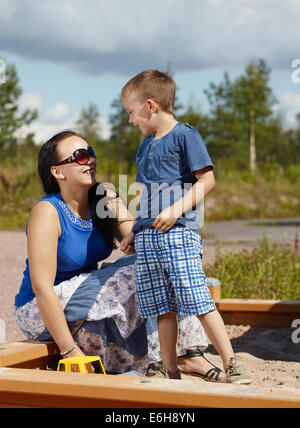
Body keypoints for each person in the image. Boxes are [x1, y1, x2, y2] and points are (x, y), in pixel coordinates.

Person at [14, 130, 224, 379]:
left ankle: (187, 354)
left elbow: (142, 247)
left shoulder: (103, 197)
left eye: (90, 152)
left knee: (165, 261)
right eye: (80, 156)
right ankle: (182, 356)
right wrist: (69, 350)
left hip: (87, 303)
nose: (90, 160)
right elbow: (42, 288)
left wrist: (174, 234)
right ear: (57, 172)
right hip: (39, 311)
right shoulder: (48, 211)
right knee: (142, 268)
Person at [120, 69, 251, 383]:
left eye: (131, 112)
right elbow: (145, 196)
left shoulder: (185, 135)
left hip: (177, 234)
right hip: (149, 237)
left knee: (197, 298)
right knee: (160, 306)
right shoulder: (145, 147)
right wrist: (135, 231)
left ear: (150, 106)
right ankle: (169, 367)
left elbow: (207, 180)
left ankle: (232, 363)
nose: (130, 120)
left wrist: (177, 209)